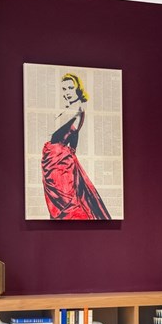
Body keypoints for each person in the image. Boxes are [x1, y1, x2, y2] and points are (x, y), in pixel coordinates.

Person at [40, 73, 111, 219]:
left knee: (65, 203)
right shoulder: (73, 108)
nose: (67, 93)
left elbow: (50, 130)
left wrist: (63, 154)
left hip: (59, 162)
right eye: (64, 89)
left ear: (78, 89)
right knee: (59, 203)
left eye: (71, 88)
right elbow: (73, 139)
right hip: (55, 160)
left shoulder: (76, 108)